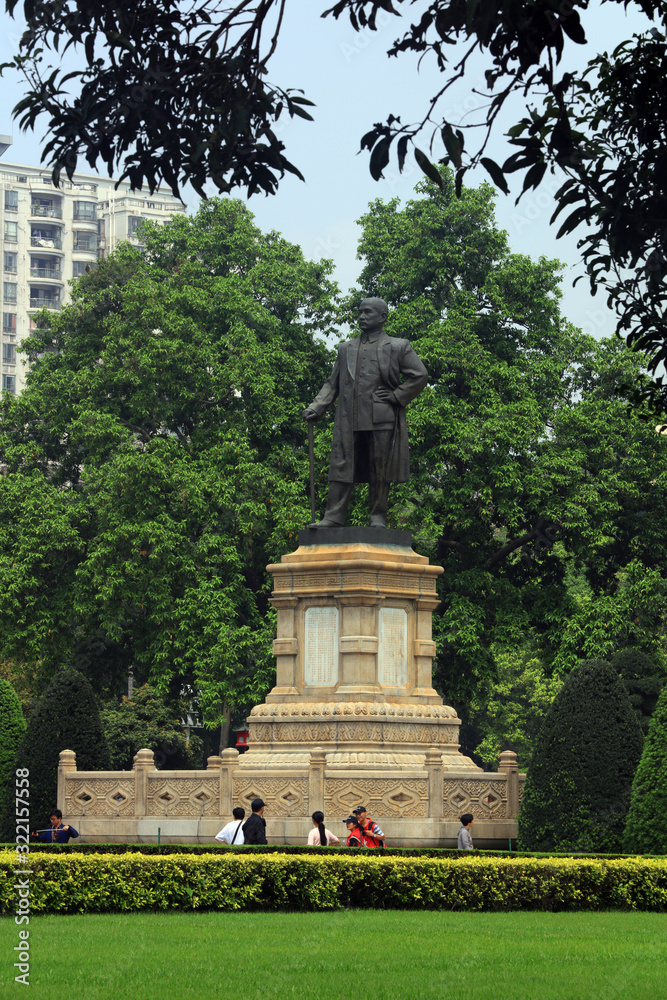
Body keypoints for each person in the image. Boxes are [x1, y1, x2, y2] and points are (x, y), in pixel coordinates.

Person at [303, 297, 428, 529]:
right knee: (341, 466)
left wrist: (397, 395)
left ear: (382, 317)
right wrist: (317, 407)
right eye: (360, 312)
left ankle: (377, 516)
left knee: (379, 469)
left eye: (367, 312)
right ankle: (333, 516)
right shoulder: (345, 348)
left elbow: (419, 375)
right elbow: (333, 384)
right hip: (349, 418)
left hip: (381, 418)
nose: (361, 316)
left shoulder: (399, 346)